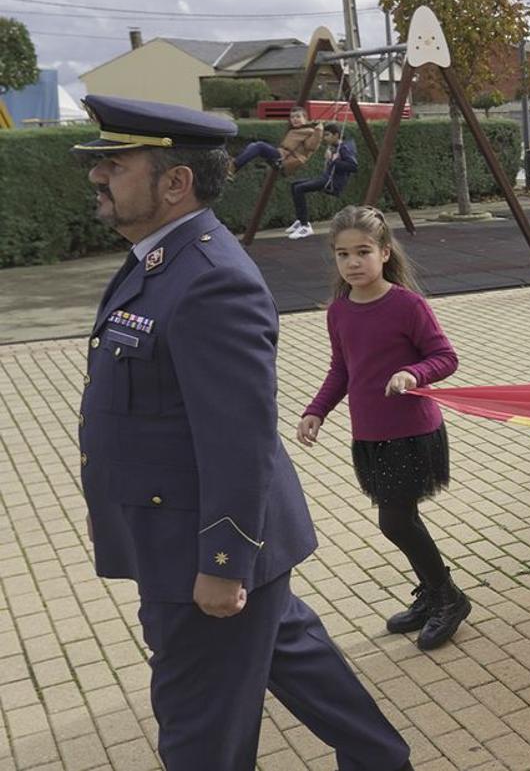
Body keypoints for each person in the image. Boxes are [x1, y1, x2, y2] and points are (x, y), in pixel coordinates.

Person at [73, 95, 414, 771]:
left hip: (202, 554)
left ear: (176, 182)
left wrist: (222, 565)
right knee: (292, 653)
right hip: (187, 536)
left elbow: (240, 437)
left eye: (114, 163)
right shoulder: (159, 259)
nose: (96, 176)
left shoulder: (209, 281)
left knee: (200, 736)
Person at [297, 206, 468, 651]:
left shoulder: (408, 305)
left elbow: (445, 357)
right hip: (369, 435)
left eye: (363, 252)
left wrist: (414, 374)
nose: (353, 263)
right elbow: (342, 370)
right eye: (342, 254)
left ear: (385, 253)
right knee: (400, 519)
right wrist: (316, 410)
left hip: (412, 433)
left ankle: (448, 598)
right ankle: (434, 594)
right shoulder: (338, 311)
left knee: (395, 520)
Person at [288, 123, 358, 240]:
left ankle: (305, 227)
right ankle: (301, 221)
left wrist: (333, 160)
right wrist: (330, 159)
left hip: (333, 183)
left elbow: (353, 166)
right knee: (295, 185)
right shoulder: (335, 146)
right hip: (325, 178)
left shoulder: (344, 148)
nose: (325, 138)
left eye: (327, 135)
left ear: (336, 135)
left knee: (299, 189)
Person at [228, 106, 323, 183]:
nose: (295, 119)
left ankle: (233, 165)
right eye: (292, 117)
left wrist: (318, 130)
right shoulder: (297, 129)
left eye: (298, 117)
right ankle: (232, 170)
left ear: (305, 119)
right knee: (253, 146)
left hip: (285, 159)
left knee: (259, 146)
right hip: (281, 154)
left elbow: (311, 147)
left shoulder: (309, 131)